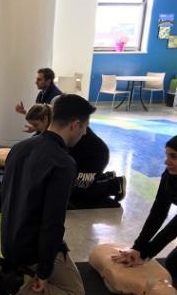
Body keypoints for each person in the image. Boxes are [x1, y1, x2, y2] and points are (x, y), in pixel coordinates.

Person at [0, 95, 95, 295]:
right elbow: (52, 223)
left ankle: (7, 267)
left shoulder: (19, 148)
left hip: (9, 242)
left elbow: (8, 198)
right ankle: (11, 282)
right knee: (75, 294)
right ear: (75, 125)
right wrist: (43, 270)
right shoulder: (63, 163)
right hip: (30, 250)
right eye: (85, 128)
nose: (84, 134)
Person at [22, 103, 126, 206]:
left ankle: (115, 185)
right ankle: (104, 177)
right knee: (72, 185)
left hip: (95, 156)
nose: (35, 128)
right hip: (81, 155)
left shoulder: (58, 127)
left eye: (36, 125)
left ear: (45, 119)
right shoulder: (52, 121)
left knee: (78, 194)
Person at [112, 136, 177, 279]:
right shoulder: (169, 176)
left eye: (174, 157)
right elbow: (158, 213)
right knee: (173, 264)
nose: (167, 162)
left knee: (174, 263)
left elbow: (174, 227)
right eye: (167, 155)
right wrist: (138, 248)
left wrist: (147, 253)